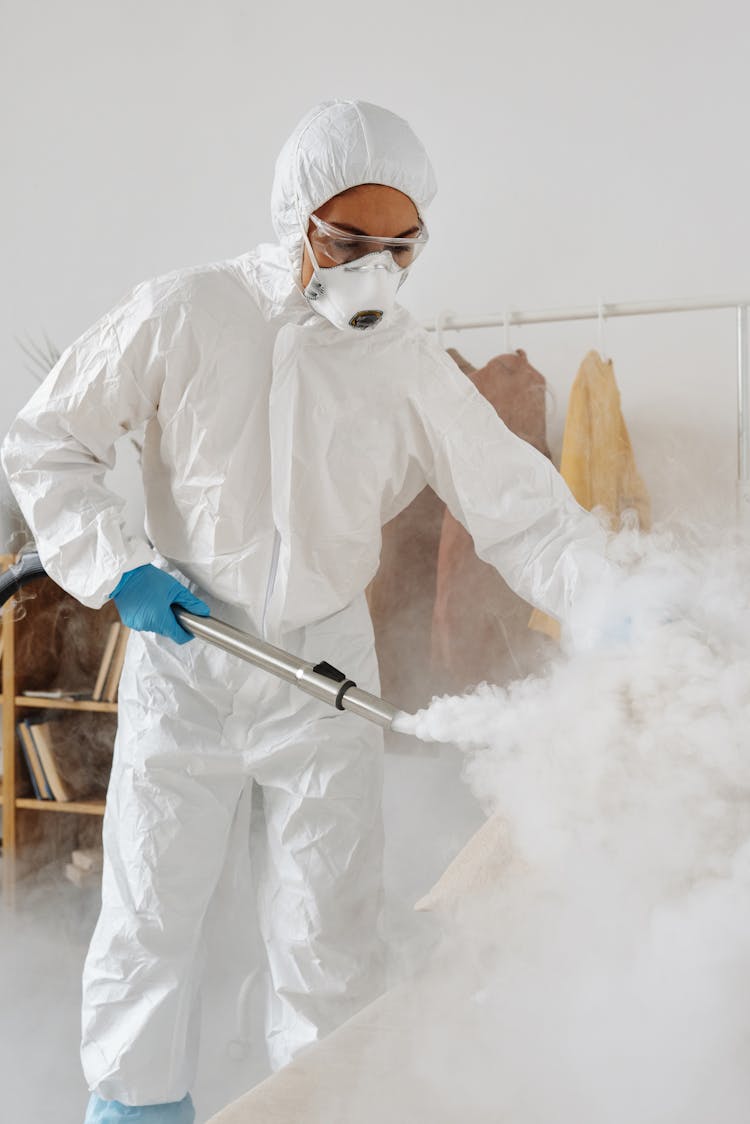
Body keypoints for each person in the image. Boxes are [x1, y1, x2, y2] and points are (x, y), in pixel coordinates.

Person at [1, 99, 614, 1123]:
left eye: (400, 248)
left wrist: (621, 604)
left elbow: (523, 513)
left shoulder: (406, 362)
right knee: (154, 910)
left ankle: (324, 1104)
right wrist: (120, 567)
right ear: (297, 215)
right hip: (189, 644)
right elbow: (45, 442)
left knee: (329, 929)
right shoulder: (185, 312)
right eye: (349, 241)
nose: (374, 269)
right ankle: (136, 1104)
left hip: (322, 665)